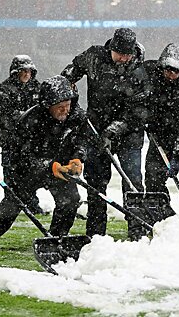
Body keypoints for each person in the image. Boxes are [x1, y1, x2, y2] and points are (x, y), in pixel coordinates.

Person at [0, 75, 86, 251]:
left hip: (59, 167)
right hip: (26, 171)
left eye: (67, 106)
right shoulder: (30, 121)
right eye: (60, 108)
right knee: (12, 205)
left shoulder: (76, 116)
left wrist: (77, 157)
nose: (65, 111)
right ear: (48, 106)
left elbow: (81, 140)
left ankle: (57, 238)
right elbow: (22, 156)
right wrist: (49, 166)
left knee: (70, 200)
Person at [61, 28, 146, 237]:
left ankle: (137, 228)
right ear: (112, 48)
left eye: (127, 55)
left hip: (129, 134)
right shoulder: (94, 57)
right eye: (120, 54)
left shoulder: (140, 70)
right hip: (95, 130)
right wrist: (69, 83)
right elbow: (72, 70)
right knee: (96, 183)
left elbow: (138, 111)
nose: (123, 59)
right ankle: (96, 232)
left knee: (132, 180)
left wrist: (113, 131)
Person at [132, 43, 179, 197]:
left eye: (175, 71)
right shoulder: (148, 72)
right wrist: (145, 117)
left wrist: (178, 153)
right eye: (167, 69)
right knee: (153, 174)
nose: (170, 74)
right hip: (158, 132)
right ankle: (158, 207)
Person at [0, 55, 44, 215]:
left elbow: (43, 110)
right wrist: (27, 119)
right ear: (15, 72)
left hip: (32, 141)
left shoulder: (37, 88)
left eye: (29, 71)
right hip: (10, 140)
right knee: (10, 173)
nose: (26, 74)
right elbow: (6, 115)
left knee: (31, 174)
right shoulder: (4, 89)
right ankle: (10, 206)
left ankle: (32, 205)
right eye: (23, 71)